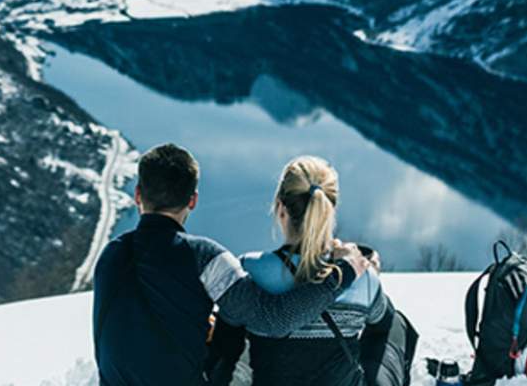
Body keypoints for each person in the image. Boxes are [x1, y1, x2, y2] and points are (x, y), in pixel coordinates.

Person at [92, 143, 374, 386]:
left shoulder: (109, 256)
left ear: (138, 195)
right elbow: (275, 319)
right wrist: (345, 272)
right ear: (193, 200)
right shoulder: (205, 256)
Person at [219, 156, 411, 386]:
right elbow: (383, 326)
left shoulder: (251, 269)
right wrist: (368, 281)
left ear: (281, 208)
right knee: (394, 322)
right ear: (330, 211)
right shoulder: (362, 275)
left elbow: (225, 344)